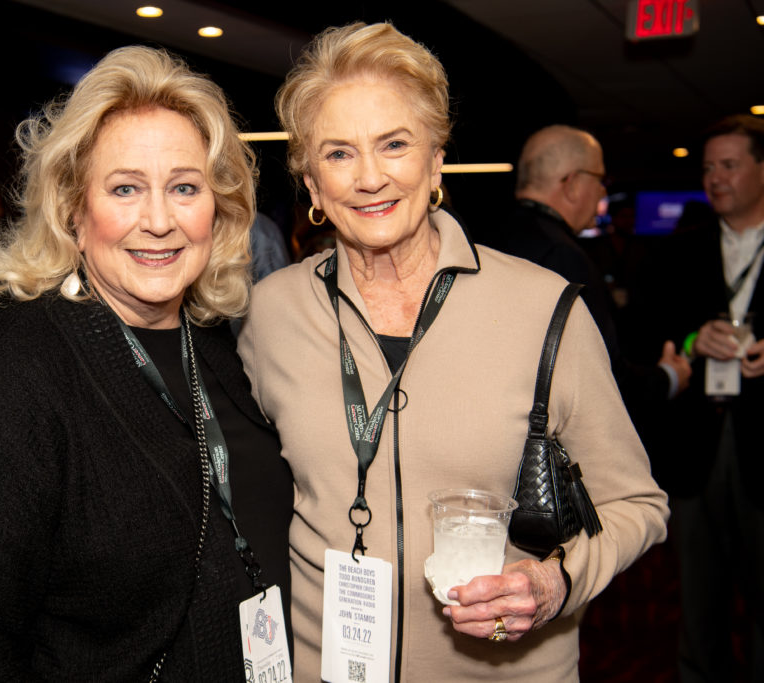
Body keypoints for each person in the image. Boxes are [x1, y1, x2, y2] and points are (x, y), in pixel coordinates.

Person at [238, 22, 669, 681]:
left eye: (394, 144)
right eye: (339, 153)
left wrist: (557, 580)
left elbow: (637, 503)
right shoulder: (268, 315)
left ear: (436, 161)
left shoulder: (543, 308)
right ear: (313, 186)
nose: (371, 177)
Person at [0, 46, 292, 681]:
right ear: (73, 211)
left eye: (184, 187)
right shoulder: (13, 376)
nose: (160, 220)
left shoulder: (215, 345)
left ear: (219, 206)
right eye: (125, 188)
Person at [646, 114, 764, 682]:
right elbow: (646, 336)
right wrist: (695, 342)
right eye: (709, 168)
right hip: (695, 450)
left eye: (729, 166)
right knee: (698, 602)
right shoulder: (679, 251)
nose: (715, 178)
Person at [488, 125, 690, 420]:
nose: (603, 191)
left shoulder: (487, 239)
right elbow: (599, 382)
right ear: (572, 184)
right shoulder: (563, 255)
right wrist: (668, 378)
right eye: (600, 179)